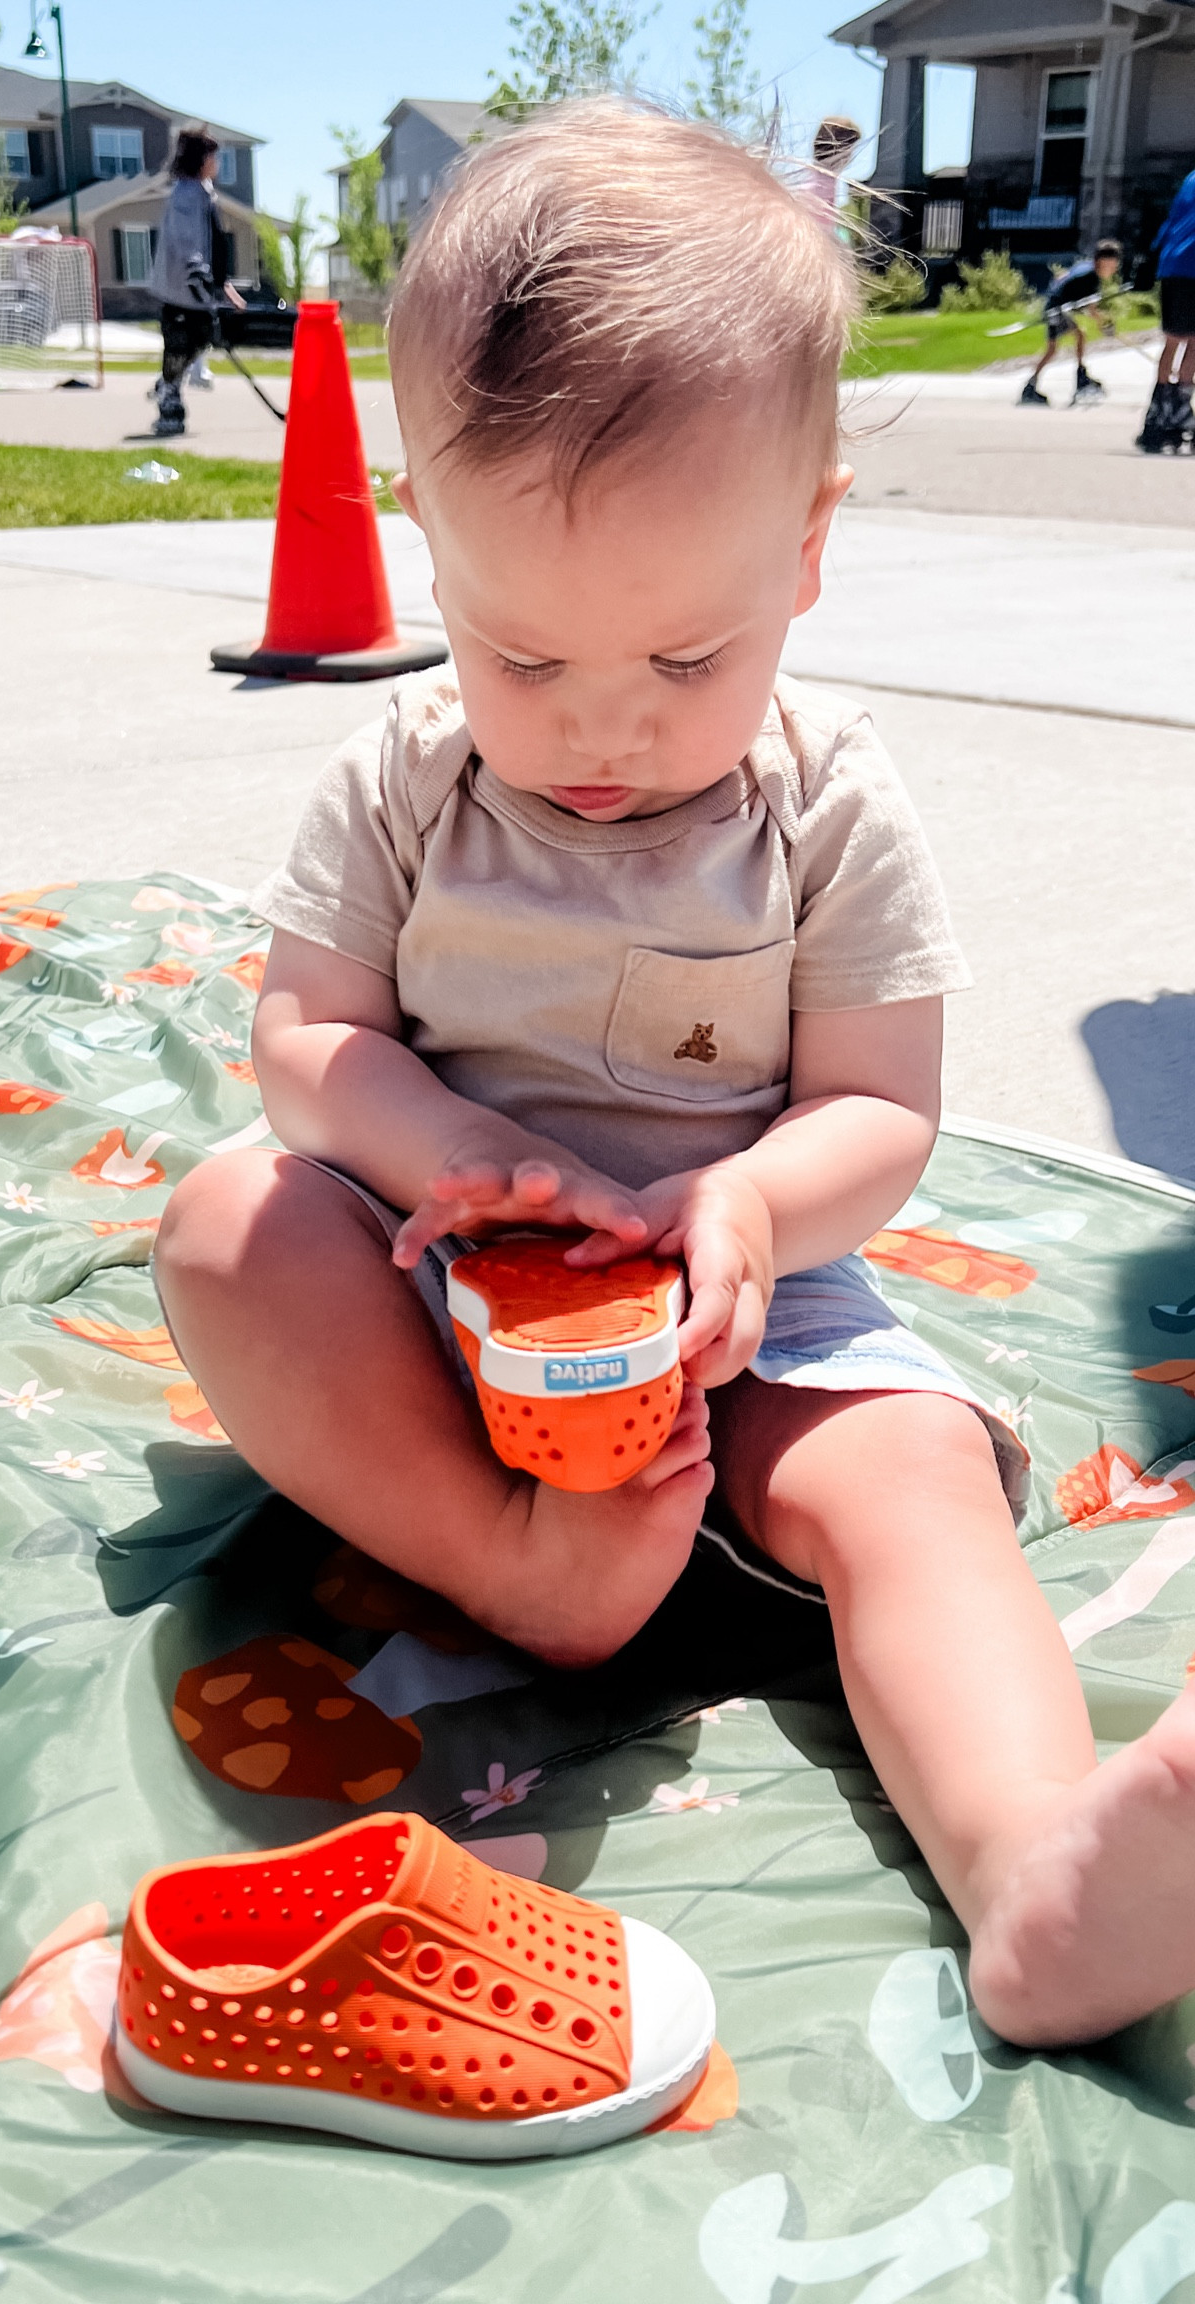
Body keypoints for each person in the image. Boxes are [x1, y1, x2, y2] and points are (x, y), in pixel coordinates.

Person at [156, 100, 1195, 2052]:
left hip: (755, 1312)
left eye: (683, 658)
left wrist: (752, 1206)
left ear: (806, 551)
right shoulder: (400, 783)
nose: (602, 729)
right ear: (427, 550)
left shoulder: (826, 805)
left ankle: (1040, 1872)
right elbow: (306, 1044)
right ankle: (529, 1575)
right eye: (521, 654)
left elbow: (884, 1107)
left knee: (911, 1491)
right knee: (223, 1228)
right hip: (435, 1299)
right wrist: (439, 1140)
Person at [146, 128, 245, 439]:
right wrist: (195, 270)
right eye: (213, 156)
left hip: (198, 290)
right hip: (182, 288)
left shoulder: (202, 192)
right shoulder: (186, 195)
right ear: (200, 159)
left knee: (202, 337)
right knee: (179, 343)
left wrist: (223, 284)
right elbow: (186, 238)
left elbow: (213, 242)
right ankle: (170, 404)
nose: (217, 162)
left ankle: (168, 383)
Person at [1019, 238, 1120, 406]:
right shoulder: (1091, 277)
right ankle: (1077, 379)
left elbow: (1063, 276)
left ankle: (1038, 384)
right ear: (1102, 261)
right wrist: (1106, 325)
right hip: (1056, 310)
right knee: (1056, 348)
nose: (1114, 268)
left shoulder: (1086, 268)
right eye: (1112, 264)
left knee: (1075, 337)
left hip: (1056, 307)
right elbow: (1092, 309)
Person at [1137, 168, 1195, 452]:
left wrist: (1154, 253)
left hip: (1174, 263)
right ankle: (1180, 410)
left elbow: (1172, 218)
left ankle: (1160, 412)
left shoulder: (1191, 178)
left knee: (1173, 341)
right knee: (1193, 344)